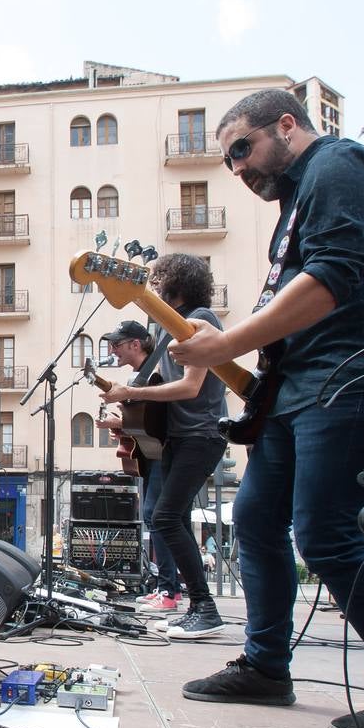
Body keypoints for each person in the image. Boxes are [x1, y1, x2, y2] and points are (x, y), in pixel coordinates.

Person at [170, 89, 364, 728]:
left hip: (355, 377)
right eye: (228, 160)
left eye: (242, 149)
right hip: (302, 387)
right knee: (258, 517)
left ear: (287, 125)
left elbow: (335, 277)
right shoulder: (298, 200)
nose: (237, 169)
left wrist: (225, 345)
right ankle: (266, 666)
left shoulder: (338, 165)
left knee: (325, 532)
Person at [100, 254, 229, 639]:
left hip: (202, 435)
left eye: (159, 283)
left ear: (177, 284)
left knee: (167, 518)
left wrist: (132, 391)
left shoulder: (202, 319)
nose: (155, 289)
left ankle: (203, 607)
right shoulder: (169, 329)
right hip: (179, 437)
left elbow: (190, 387)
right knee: (164, 515)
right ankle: (196, 606)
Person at [95, 320, 185, 610]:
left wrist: (123, 422)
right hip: (153, 453)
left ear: (136, 344)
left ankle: (168, 590)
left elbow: (158, 421)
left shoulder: (155, 374)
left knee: (157, 516)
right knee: (167, 518)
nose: (113, 350)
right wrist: (121, 426)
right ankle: (172, 588)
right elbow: (146, 420)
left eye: (118, 344)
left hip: (163, 453)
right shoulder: (140, 376)